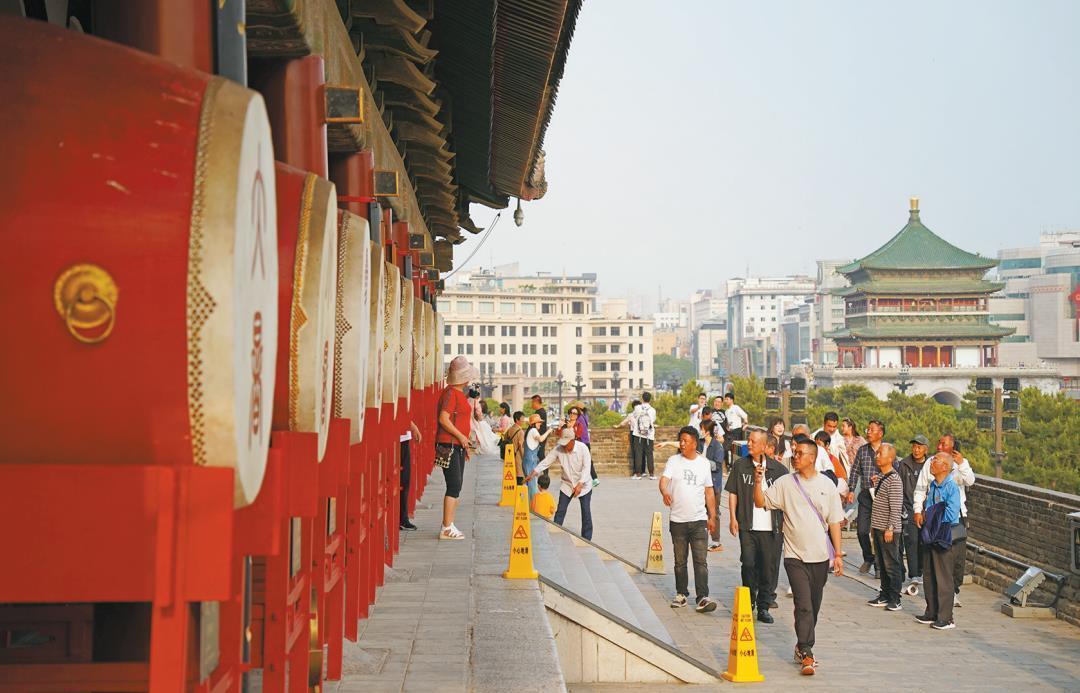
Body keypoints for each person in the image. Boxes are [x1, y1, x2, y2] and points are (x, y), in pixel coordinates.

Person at [753, 439, 844, 676]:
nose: (795, 457)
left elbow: (835, 521)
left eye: (800, 453)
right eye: (794, 453)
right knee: (803, 604)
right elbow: (761, 502)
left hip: (821, 557)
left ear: (812, 458)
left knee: (812, 606)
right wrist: (758, 481)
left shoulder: (827, 485)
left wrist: (839, 554)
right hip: (794, 555)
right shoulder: (785, 483)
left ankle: (800, 643)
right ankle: (807, 652)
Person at [724, 428, 788, 624]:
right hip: (747, 525)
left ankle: (764, 606)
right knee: (749, 565)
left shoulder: (779, 470)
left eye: (752, 441)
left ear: (763, 446)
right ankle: (748, 602)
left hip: (772, 528)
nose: (749, 444)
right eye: (748, 441)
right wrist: (733, 518)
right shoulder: (740, 466)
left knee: (768, 568)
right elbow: (733, 492)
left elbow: (786, 499)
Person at [661, 426, 719, 613]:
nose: (682, 444)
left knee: (700, 561)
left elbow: (709, 492)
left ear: (695, 443)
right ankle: (681, 594)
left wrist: (712, 516)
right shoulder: (673, 461)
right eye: (681, 441)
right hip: (678, 520)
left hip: (699, 520)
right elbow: (664, 480)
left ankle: (702, 597)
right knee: (680, 561)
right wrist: (664, 491)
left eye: (686, 441)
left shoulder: (703, 464)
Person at [913, 434, 975, 607]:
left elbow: (970, 481)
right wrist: (918, 510)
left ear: (952, 446)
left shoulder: (959, 464)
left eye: (943, 444)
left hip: (955, 516)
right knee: (935, 557)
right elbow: (920, 488)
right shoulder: (931, 463)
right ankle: (937, 594)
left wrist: (961, 463)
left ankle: (953, 590)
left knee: (956, 558)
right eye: (938, 442)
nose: (939, 446)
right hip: (933, 517)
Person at [915, 452, 962, 630]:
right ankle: (932, 611)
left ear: (945, 467)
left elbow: (952, 513)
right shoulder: (934, 485)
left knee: (943, 577)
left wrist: (934, 518)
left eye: (936, 461)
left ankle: (946, 617)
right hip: (931, 534)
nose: (932, 463)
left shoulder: (951, 486)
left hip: (943, 535)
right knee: (929, 574)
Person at [525, 427, 595, 539]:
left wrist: (580, 484)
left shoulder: (583, 448)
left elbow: (587, 468)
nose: (564, 446)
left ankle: (587, 539)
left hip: (584, 485)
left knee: (585, 511)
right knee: (560, 510)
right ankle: (555, 533)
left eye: (566, 444)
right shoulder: (559, 449)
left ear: (573, 440)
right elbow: (546, 461)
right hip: (567, 484)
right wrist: (533, 473)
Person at [436, 356, 478, 540]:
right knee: (454, 485)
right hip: (450, 444)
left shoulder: (458, 393)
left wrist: (464, 443)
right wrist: (461, 437)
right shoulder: (451, 393)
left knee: (457, 485)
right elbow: (443, 418)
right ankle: (446, 527)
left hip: (457, 444)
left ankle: (450, 523)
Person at [867, 443, 904, 610]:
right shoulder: (881, 477)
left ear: (890, 458)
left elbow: (895, 506)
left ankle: (895, 597)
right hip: (878, 527)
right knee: (881, 563)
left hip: (889, 529)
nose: (877, 456)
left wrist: (890, 527)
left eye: (880, 453)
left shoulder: (894, 479)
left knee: (891, 564)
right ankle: (884, 593)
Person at [847, 419, 885, 574]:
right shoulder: (863, 450)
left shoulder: (887, 450)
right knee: (862, 530)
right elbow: (855, 471)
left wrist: (881, 477)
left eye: (872, 430)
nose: (868, 432)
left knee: (878, 532)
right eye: (867, 429)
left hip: (882, 496)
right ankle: (868, 557)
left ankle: (878, 565)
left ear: (880, 433)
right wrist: (850, 490)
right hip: (865, 495)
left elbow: (895, 470)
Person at [897, 435, 931, 592]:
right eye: (914, 446)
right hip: (909, 509)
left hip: (928, 510)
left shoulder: (931, 465)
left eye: (919, 447)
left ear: (926, 449)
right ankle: (914, 573)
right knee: (911, 541)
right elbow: (900, 487)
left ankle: (924, 571)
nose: (916, 450)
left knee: (925, 542)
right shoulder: (904, 464)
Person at [702, 418, 725, 552]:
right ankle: (703, 539)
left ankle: (716, 542)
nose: (700, 432)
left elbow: (716, 465)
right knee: (702, 512)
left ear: (707, 431)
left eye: (701, 429)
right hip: (702, 484)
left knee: (713, 513)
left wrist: (702, 461)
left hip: (714, 484)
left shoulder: (717, 446)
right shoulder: (701, 444)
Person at [522, 413, 553, 500]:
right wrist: (549, 431)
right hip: (530, 461)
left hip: (530, 461)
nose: (540, 424)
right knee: (532, 484)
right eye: (538, 422)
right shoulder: (533, 431)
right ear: (533, 424)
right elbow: (541, 439)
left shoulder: (531, 431)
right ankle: (532, 505)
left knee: (531, 483)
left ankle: (529, 503)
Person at [399, 420, 422, 531]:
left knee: (404, 480)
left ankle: (402, 518)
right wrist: (413, 426)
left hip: (403, 436)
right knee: (403, 480)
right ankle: (402, 519)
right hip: (399, 437)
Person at [568, 405, 599, 486]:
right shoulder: (585, 417)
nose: (573, 414)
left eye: (574, 412)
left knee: (585, 461)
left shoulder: (579, 419)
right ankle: (593, 478)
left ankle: (592, 478)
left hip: (582, 442)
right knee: (587, 460)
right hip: (586, 441)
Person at [634, 392, 657, 479]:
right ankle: (651, 474)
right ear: (650, 399)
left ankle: (638, 474)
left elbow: (635, 416)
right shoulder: (653, 410)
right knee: (649, 454)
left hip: (638, 434)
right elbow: (653, 420)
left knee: (638, 453)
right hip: (649, 435)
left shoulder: (637, 408)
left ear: (642, 399)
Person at [617, 399, 642, 477]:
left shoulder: (631, 415)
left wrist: (617, 426)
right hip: (642, 434)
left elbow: (623, 423)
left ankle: (636, 472)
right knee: (642, 453)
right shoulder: (643, 414)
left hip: (634, 434)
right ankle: (642, 471)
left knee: (635, 453)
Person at [722, 392, 748, 456]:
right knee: (727, 449)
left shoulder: (736, 407)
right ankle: (729, 464)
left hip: (737, 431)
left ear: (732, 400)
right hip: (730, 433)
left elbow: (745, 416)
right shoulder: (726, 411)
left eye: (727, 399)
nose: (725, 401)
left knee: (735, 450)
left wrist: (745, 425)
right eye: (725, 399)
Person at [504, 411, 526, 485]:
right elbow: (521, 445)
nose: (523, 421)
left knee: (511, 479)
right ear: (517, 419)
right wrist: (524, 457)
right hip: (518, 458)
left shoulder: (510, 429)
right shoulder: (520, 432)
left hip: (509, 458)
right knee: (519, 478)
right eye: (522, 419)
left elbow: (505, 438)